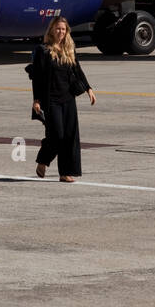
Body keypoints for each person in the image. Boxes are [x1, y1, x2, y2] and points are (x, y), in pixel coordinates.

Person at [27, 16, 96, 183]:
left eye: (63, 29)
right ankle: (43, 160)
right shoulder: (43, 50)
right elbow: (37, 77)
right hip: (50, 99)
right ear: (51, 30)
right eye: (58, 28)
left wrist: (89, 88)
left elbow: (78, 70)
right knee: (57, 134)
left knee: (70, 136)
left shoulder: (69, 49)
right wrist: (36, 100)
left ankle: (65, 172)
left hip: (68, 98)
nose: (60, 32)